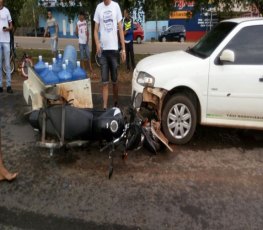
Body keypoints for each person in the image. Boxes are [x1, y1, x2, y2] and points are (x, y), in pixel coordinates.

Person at [94, 0, 126, 109]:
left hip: (114, 51)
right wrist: (97, 43)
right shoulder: (99, 7)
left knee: (115, 81)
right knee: (104, 82)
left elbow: (120, 29)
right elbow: (95, 30)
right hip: (103, 52)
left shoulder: (116, 6)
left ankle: (116, 103)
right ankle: (104, 108)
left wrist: (123, 49)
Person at [0, 0, 13, 94]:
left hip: (6, 41)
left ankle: (8, 85)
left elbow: (11, 26)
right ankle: (0, 85)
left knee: (7, 64)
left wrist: (8, 29)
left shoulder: (6, 11)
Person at [75, 11, 94, 76]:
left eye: (83, 15)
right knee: (82, 56)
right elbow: (76, 32)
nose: (82, 17)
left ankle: (90, 67)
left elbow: (87, 31)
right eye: (81, 15)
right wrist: (78, 35)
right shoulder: (77, 23)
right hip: (81, 42)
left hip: (86, 43)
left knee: (88, 55)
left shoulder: (85, 22)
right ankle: (83, 68)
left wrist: (88, 38)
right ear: (79, 16)